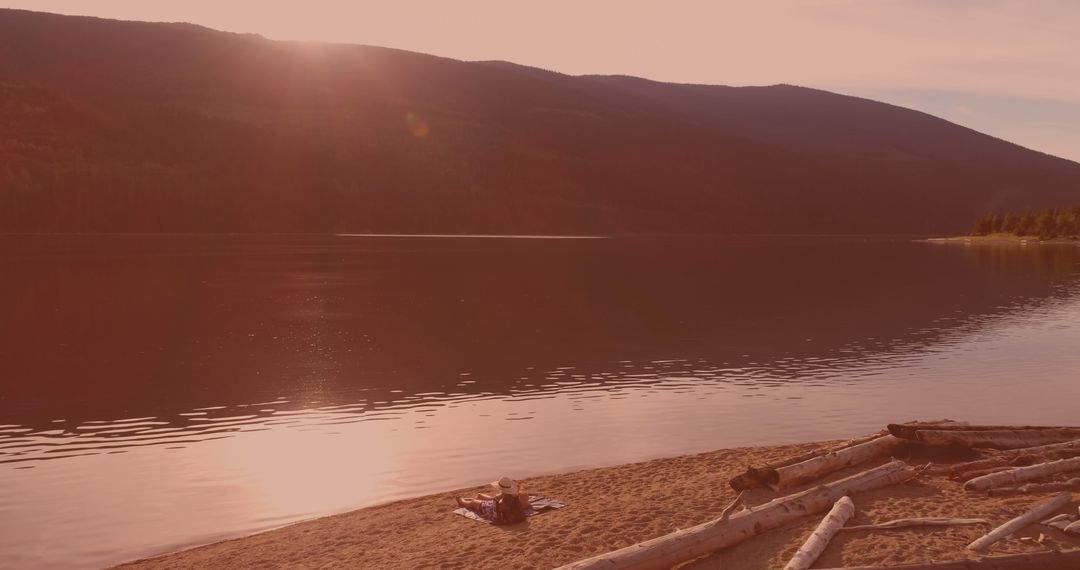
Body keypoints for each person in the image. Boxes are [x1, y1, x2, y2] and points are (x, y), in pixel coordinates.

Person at [455, 476, 529, 525]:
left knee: (473, 503)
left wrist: (495, 501)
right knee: (480, 496)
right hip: (515, 515)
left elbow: (495, 515)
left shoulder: (500, 500)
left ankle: (461, 501)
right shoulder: (514, 496)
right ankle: (473, 499)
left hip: (500, 514)